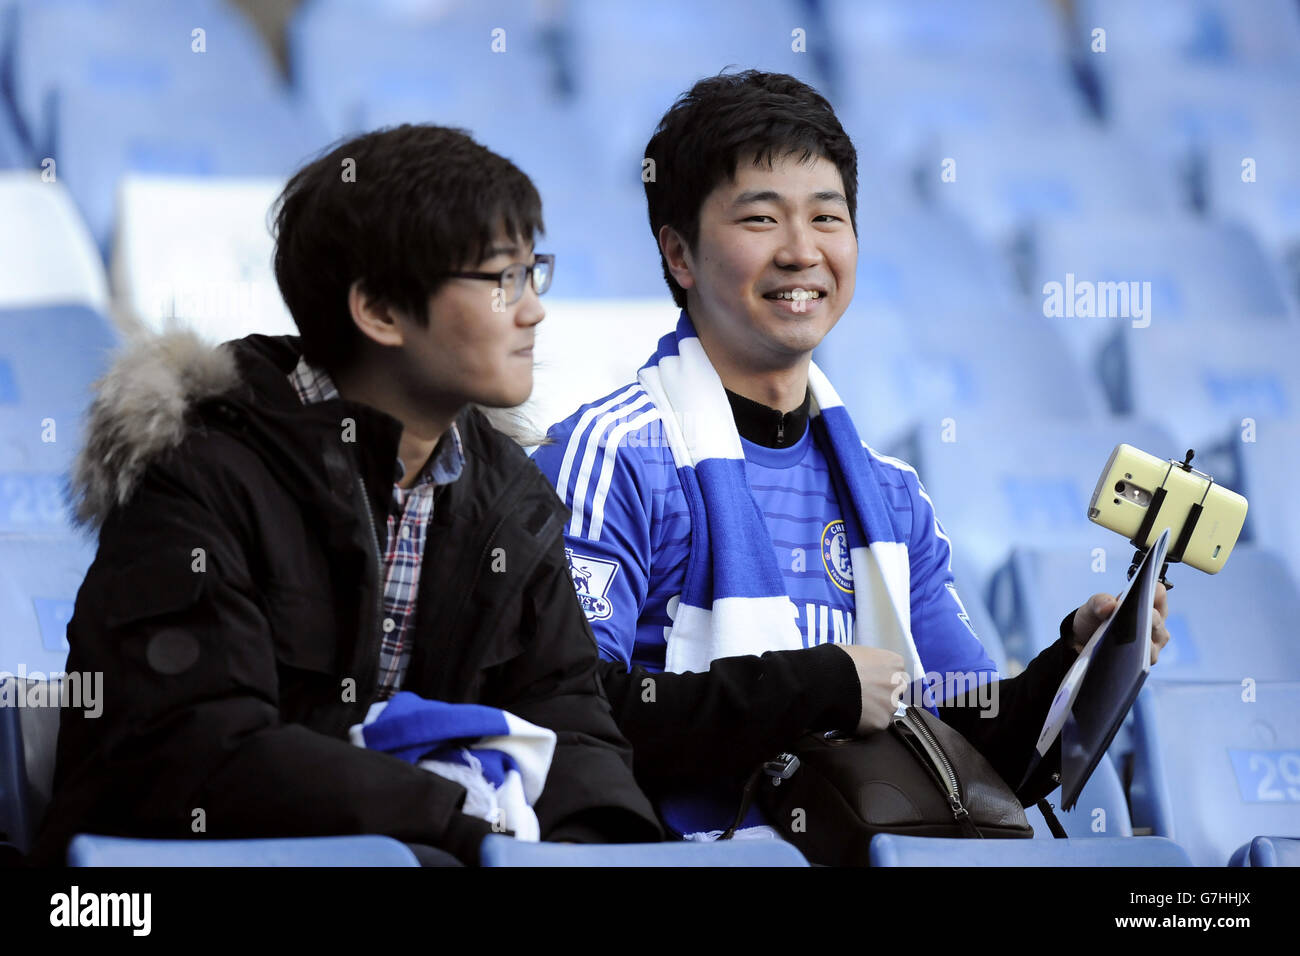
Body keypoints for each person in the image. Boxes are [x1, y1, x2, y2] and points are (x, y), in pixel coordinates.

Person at [529, 71, 1171, 839]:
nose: (802, 252)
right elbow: (568, 714)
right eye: (761, 219)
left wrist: (1070, 668)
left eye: (827, 217)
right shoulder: (615, 455)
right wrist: (815, 685)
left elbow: (960, 747)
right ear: (679, 255)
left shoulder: (891, 496)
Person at [34, 124, 661, 866]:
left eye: (534, 273)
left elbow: (572, 725)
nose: (533, 310)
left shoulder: (509, 498)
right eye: (501, 279)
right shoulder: (201, 470)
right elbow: (199, 748)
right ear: (381, 312)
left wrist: (585, 849)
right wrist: (460, 824)